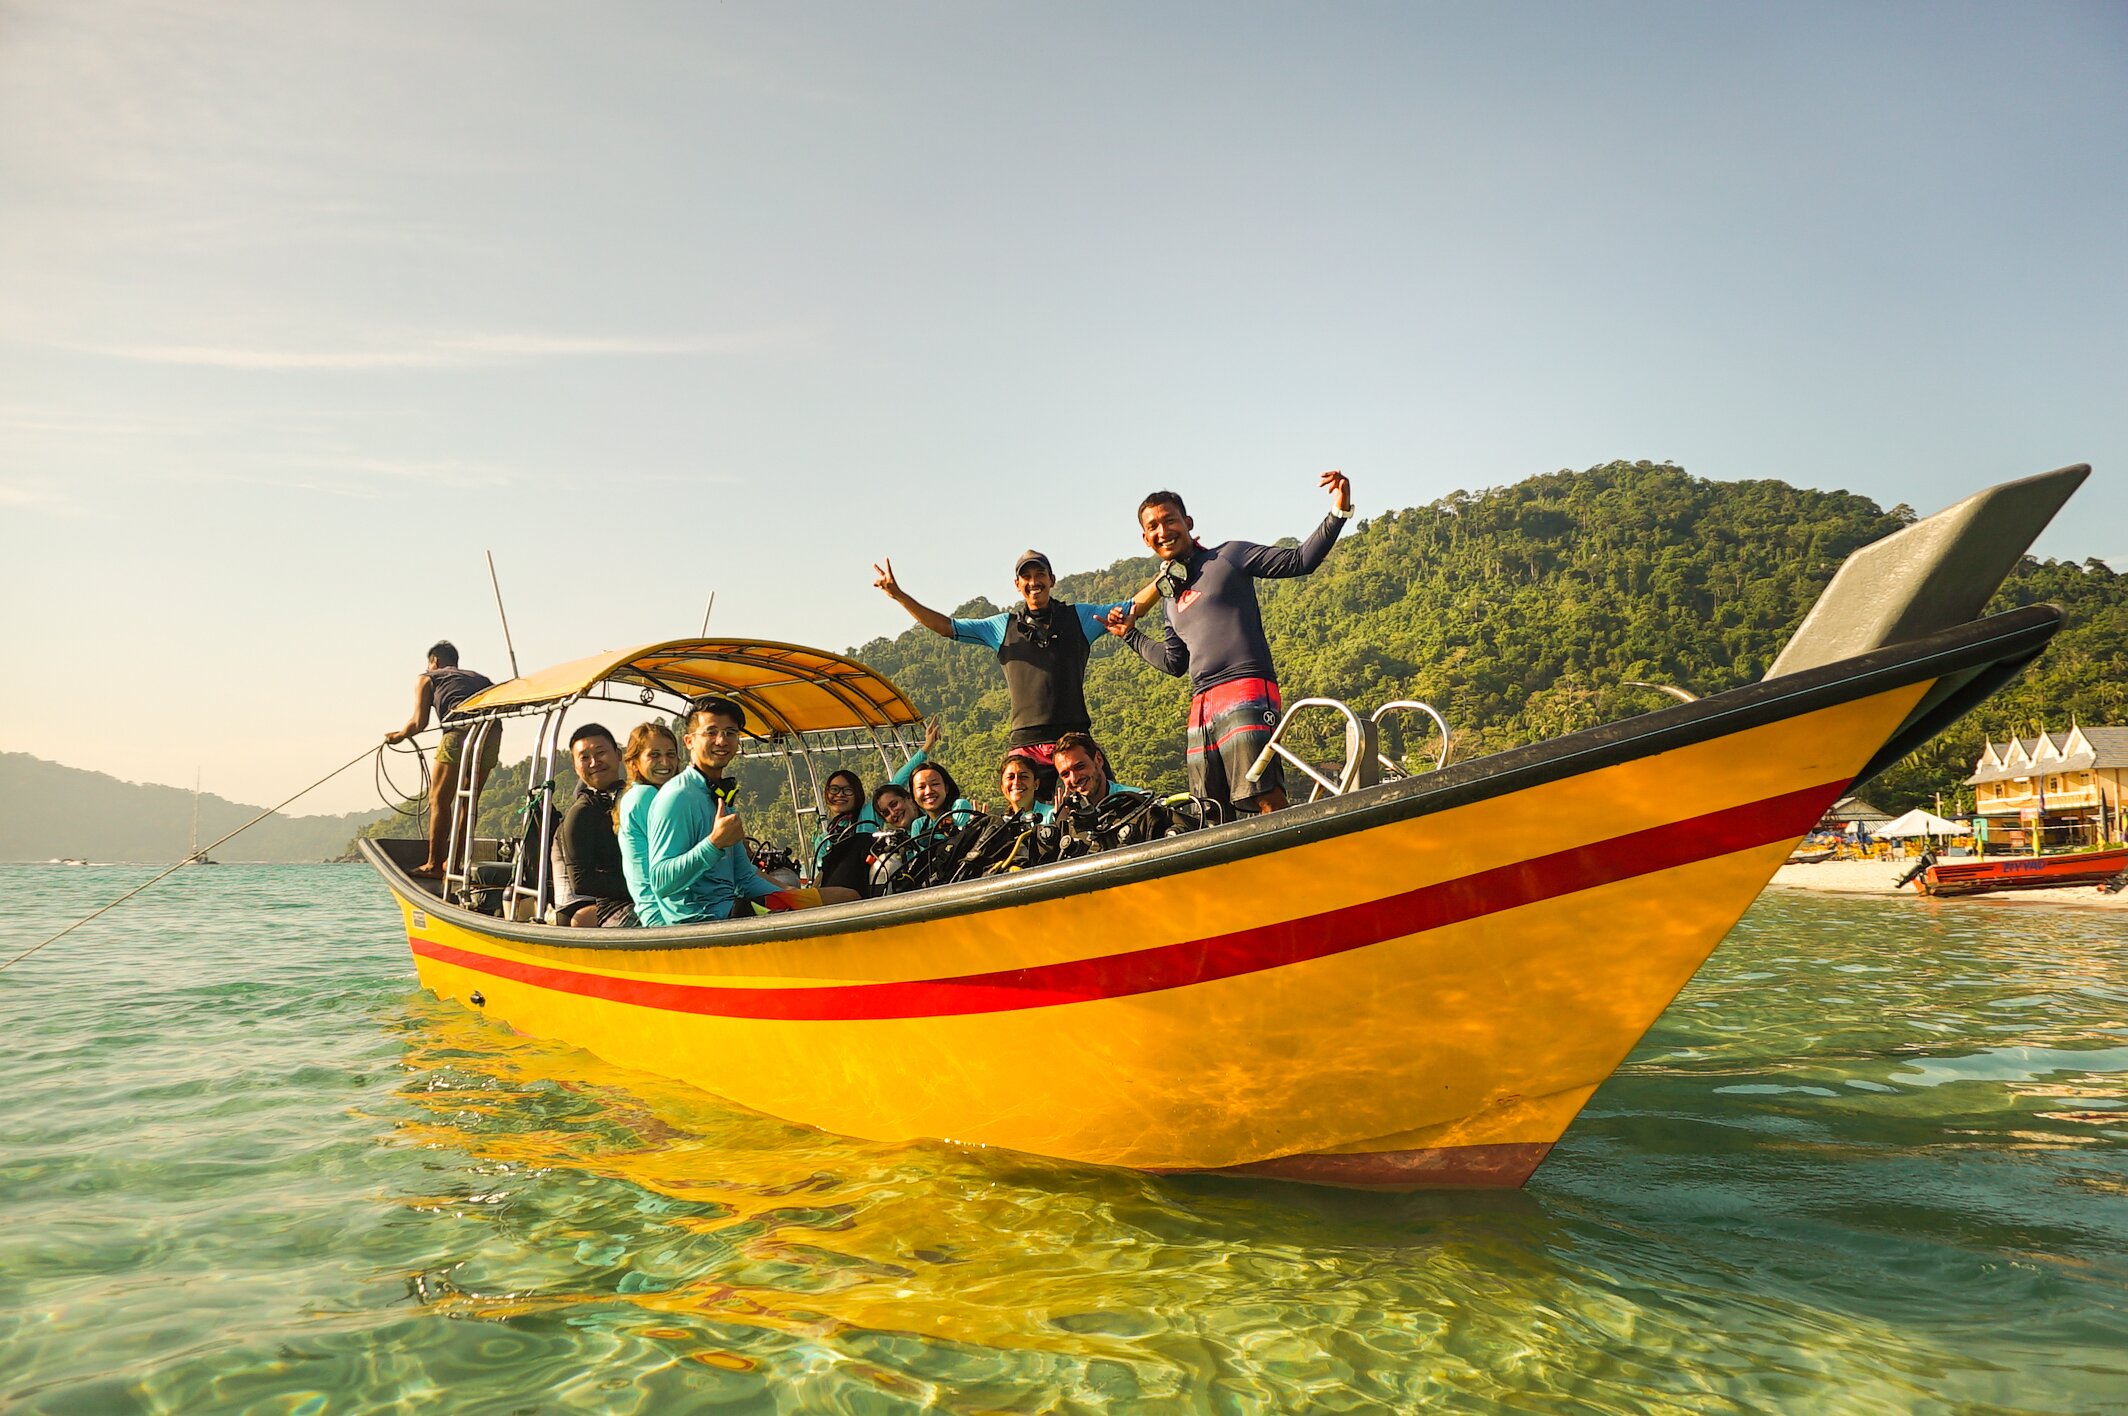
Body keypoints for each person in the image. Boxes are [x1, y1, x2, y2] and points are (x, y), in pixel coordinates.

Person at [1109, 471, 1354, 813]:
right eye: (1153, 527)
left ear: (1188, 522)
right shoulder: (1169, 599)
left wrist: (1339, 511)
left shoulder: (1228, 557)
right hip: (1201, 707)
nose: (1163, 531)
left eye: (1170, 520)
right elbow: (1174, 664)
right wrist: (1131, 636)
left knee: (1263, 792)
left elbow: (1300, 561)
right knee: (1211, 811)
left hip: (1245, 688)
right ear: (1145, 538)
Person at [873, 549, 1138, 798]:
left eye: (1040, 575)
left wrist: (1168, 578)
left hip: (1074, 738)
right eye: (1026, 577)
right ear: (1017, 584)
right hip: (1027, 743)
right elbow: (946, 627)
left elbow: (1131, 607)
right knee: (1029, 820)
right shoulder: (1003, 627)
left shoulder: (1079, 617)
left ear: (1052, 580)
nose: (1034, 582)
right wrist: (898, 595)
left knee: (1105, 802)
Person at [645, 696, 860, 922]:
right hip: (705, 920)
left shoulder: (719, 796)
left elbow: (745, 876)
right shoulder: (677, 797)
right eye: (711, 732)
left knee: (846, 897)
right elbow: (660, 882)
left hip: (733, 907)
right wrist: (713, 844)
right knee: (840, 903)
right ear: (689, 741)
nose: (721, 740)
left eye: (730, 732)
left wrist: (795, 896)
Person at [382, 640, 500, 878]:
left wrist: (398, 736)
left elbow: (419, 723)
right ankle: (453, 864)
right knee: (469, 801)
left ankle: (434, 865)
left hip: (458, 732)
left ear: (434, 661)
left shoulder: (428, 677)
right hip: (491, 733)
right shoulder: (480, 678)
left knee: (439, 801)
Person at [807, 717, 940, 879]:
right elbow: (820, 872)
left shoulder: (869, 813)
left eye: (847, 790)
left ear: (857, 794)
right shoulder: (824, 838)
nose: (840, 795)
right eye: (834, 790)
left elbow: (896, 784)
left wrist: (925, 749)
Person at [551, 724, 636, 927]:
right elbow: (582, 881)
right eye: (584, 757)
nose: (594, 762)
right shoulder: (581, 813)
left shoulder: (632, 797)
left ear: (618, 755)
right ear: (575, 766)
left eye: (601, 753)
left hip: (626, 896)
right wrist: (644, 885)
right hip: (583, 906)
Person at [616, 721, 681, 926]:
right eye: (654, 755)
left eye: (670, 754)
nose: (665, 762)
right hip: (661, 915)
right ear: (634, 763)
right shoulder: (644, 796)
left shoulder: (658, 796)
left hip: (664, 910)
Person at [996, 751, 1054, 824]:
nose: (1016, 782)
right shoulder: (1000, 824)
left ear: (1036, 784)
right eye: (1010, 777)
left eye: (1023, 777)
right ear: (1002, 786)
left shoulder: (1051, 815)